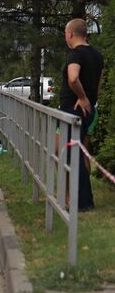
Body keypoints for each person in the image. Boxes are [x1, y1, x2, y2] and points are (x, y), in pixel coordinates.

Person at [60, 18, 104, 211]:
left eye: (65, 34)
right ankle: (74, 197)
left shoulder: (75, 55)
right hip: (88, 109)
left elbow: (73, 78)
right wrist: (92, 101)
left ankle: (82, 202)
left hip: (74, 108)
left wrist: (82, 97)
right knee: (75, 153)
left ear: (70, 34)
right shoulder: (97, 55)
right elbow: (99, 83)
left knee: (72, 155)